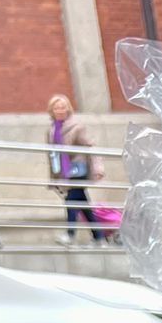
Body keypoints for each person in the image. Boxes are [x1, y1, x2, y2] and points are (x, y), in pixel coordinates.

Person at [46, 95, 111, 244]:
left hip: (77, 169)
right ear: (51, 110)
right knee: (83, 204)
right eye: (57, 108)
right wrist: (55, 177)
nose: (60, 110)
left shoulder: (77, 127)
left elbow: (90, 146)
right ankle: (99, 237)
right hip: (63, 171)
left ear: (68, 108)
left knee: (71, 200)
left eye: (63, 107)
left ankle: (70, 235)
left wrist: (98, 167)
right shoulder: (53, 129)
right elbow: (52, 154)